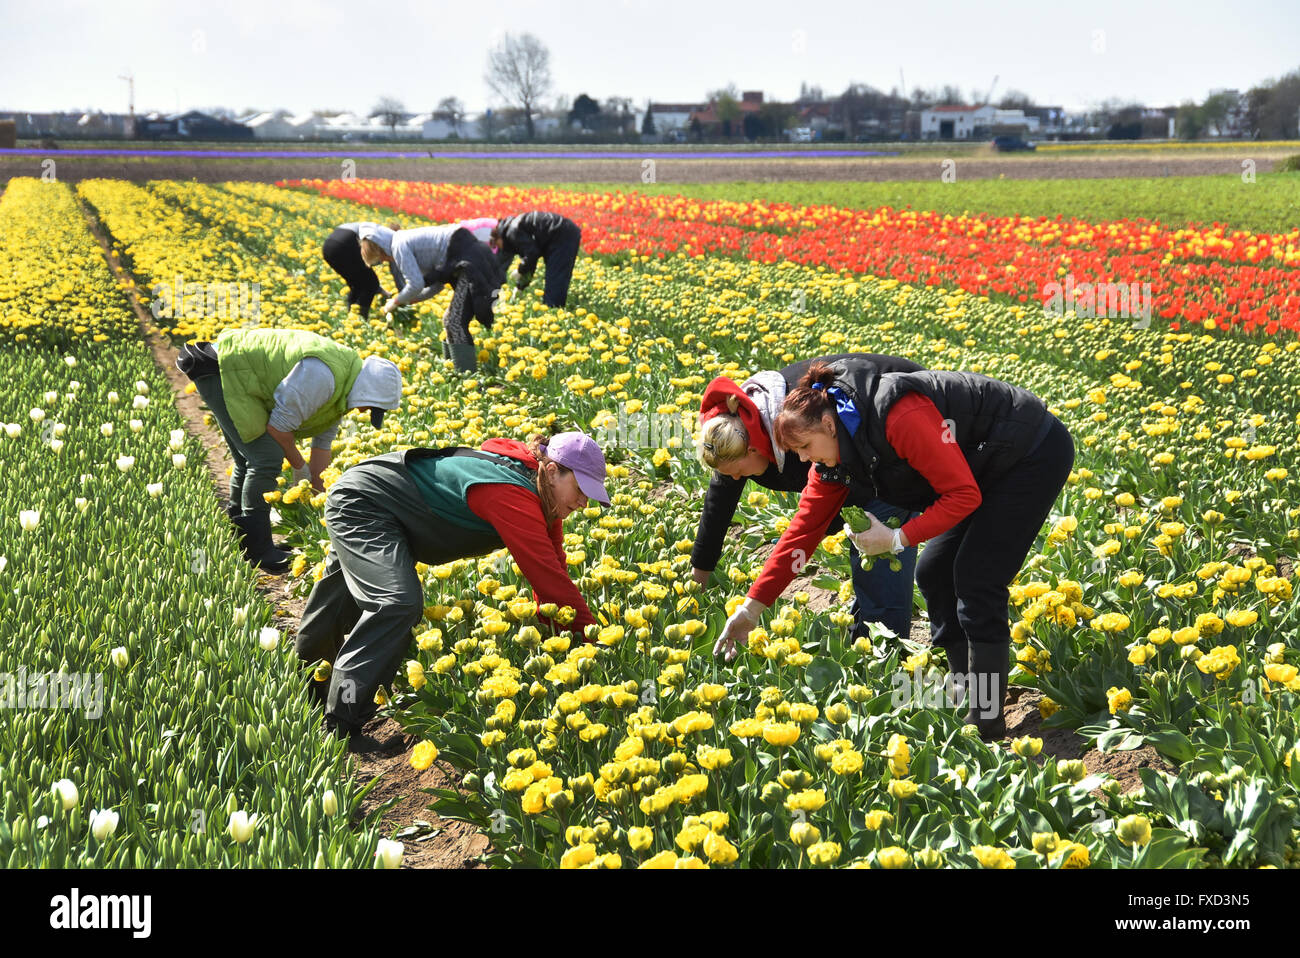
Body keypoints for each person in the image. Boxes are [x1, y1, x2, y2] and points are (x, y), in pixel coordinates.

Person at [713, 359, 1075, 740]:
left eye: (804, 448)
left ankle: (986, 722)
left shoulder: (896, 415)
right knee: (933, 573)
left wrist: (896, 539)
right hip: (976, 467)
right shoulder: (833, 459)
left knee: (977, 579)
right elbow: (802, 532)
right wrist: (751, 609)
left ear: (828, 425)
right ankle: (964, 685)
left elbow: (963, 494)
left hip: (1027, 452)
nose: (804, 461)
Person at [294, 431, 610, 746]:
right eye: (581, 489)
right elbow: (550, 583)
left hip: (376, 496)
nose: (584, 502)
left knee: (335, 603)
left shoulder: (541, 491)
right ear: (553, 472)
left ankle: (306, 690)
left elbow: (555, 580)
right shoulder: (512, 495)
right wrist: (600, 647)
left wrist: (571, 644)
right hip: (365, 504)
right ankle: (341, 725)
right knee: (396, 603)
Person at [693, 353, 924, 641]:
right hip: (856, 454)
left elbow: (814, 519)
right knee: (856, 539)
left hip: (896, 434)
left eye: (738, 472)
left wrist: (815, 535)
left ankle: (886, 649)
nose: (736, 479)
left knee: (873, 541)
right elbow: (717, 510)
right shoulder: (730, 434)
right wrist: (696, 585)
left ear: (753, 450)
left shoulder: (799, 432)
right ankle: (868, 632)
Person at [175, 328, 403, 573]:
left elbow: (321, 448)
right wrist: (298, 466)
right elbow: (278, 429)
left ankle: (241, 536)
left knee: (247, 459)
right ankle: (258, 549)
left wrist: (317, 500)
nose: (363, 412)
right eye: (370, 406)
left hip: (235, 375)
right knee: (265, 458)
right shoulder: (324, 377)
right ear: (367, 390)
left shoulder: (343, 387)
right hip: (222, 370)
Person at [361, 225, 504, 373]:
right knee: (449, 320)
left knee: (455, 322)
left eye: (380, 257)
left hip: (469, 263)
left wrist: (396, 301)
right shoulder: (404, 240)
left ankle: (467, 376)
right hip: (471, 257)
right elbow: (437, 285)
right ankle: (453, 371)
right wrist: (411, 300)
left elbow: (415, 284)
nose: (384, 260)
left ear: (382, 247)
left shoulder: (399, 245)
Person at [491, 212, 582, 308]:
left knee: (556, 280)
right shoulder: (512, 229)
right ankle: (552, 310)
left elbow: (532, 254)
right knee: (554, 281)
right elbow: (531, 261)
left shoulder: (512, 232)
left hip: (562, 235)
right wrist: (520, 287)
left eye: (496, 246)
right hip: (561, 233)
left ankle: (553, 313)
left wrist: (520, 270)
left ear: (498, 238)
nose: (499, 249)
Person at [321, 221, 402, 319]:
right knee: (371, 284)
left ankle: (352, 321)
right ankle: (360, 320)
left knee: (358, 285)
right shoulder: (391, 242)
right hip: (347, 241)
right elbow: (395, 271)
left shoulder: (380, 233)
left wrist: (380, 290)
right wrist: (402, 297)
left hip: (329, 245)